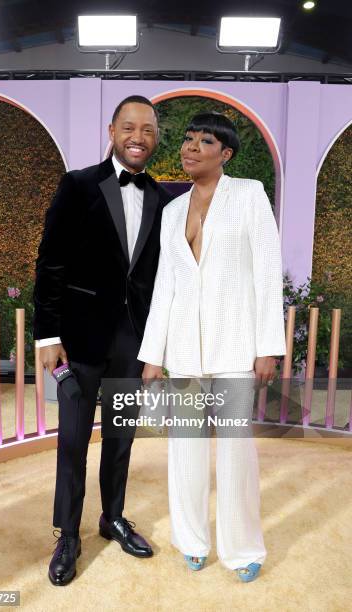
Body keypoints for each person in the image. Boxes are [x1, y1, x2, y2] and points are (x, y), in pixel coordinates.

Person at [138, 112, 286, 582]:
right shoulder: (170, 212)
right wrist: (153, 354)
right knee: (185, 447)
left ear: (225, 154)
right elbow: (166, 284)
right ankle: (191, 538)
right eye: (187, 139)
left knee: (237, 450)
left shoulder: (249, 195)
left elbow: (266, 273)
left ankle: (242, 549)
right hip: (183, 348)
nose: (191, 147)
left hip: (237, 345)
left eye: (205, 141)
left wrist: (268, 346)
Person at [33, 95, 172, 586]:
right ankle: (67, 535)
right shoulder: (77, 185)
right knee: (73, 443)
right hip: (79, 338)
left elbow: (159, 279)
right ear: (112, 131)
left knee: (121, 440)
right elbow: (50, 262)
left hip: (132, 343)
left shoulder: (160, 197)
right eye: (130, 127)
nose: (139, 137)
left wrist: (157, 347)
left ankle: (112, 517)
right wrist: (47, 334)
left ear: (156, 138)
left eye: (149, 129)